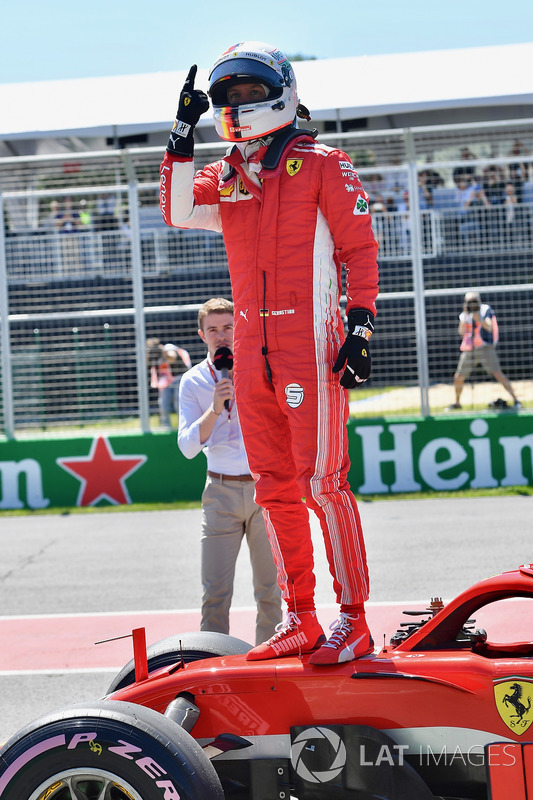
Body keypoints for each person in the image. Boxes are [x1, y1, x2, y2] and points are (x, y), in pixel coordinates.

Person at [160, 42, 379, 665]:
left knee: (323, 484)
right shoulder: (225, 174)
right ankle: (303, 619)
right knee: (276, 490)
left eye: (251, 92)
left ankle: (354, 619)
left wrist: (360, 326)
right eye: (227, 96)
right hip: (251, 352)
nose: (238, 104)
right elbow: (176, 209)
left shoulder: (324, 164)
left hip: (311, 347)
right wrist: (181, 134)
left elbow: (359, 252)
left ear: (281, 90)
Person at [178, 297, 282, 644]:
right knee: (215, 594)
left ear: (239, 329)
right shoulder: (193, 382)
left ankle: (271, 662)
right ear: (202, 335)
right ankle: (213, 666)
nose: (221, 336)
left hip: (263, 488)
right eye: (213, 330)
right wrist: (214, 408)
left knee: (270, 591)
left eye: (227, 327)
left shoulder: (262, 368)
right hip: (219, 492)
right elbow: (188, 447)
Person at [447, 291, 521, 410]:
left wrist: (478, 319)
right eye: (469, 302)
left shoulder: (485, 310)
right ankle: (457, 403)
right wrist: (466, 315)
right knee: (459, 376)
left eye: (474, 301)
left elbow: (489, 327)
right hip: (470, 349)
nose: (472, 304)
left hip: (485, 347)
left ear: (479, 301)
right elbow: (461, 332)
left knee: (497, 373)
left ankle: (516, 400)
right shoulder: (465, 314)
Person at [146, 337, 191, 428]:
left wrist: (163, 352)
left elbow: (172, 358)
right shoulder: (153, 356)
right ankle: (166, 427)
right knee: (163, 403)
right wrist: (148, 354)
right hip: (165, 380)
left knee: (178, 403)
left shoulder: (168, 348)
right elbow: (148, 364)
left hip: (179, 377)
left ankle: (183, 426)